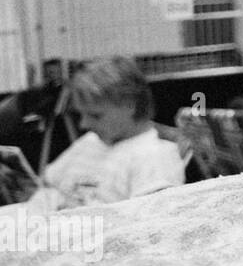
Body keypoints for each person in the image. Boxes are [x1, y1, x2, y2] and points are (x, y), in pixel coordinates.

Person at [10, 57, 185, 214]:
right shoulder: (90, 142)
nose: (83, 124)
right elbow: (48, 185)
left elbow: (147, 224)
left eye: (95, 115)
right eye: (81, 114)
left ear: (129, 106)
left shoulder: (155, 156)